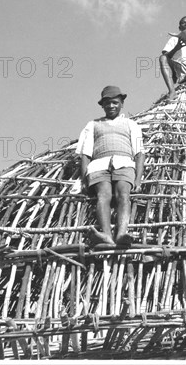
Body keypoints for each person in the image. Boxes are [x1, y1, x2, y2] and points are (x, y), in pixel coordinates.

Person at [76, 85, 145, 248]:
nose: (111, 106)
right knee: (103, 195)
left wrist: (138, 179)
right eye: (107, 103)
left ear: (121, 103)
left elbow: (139, 154)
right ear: (102, 105)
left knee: (123, 194)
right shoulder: (93, 125)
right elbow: (85, 154)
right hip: (99, 165)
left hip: (124, 163)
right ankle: (106, 234)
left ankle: (121, 233)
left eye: (114, 103)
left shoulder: (131, 124)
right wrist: (84, 178)